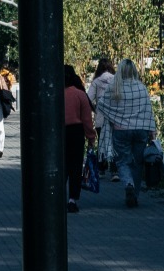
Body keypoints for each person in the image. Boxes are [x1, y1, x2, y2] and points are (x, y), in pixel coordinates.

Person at [100, 58, 157, 208]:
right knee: (137, 163)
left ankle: (129, 184)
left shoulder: (114, 87)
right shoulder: (141, 88)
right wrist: (152, 129)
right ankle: (135, 195)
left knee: (123, 161)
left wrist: (114, 119)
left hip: (120, 131)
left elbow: (101, 105)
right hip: (140, 130)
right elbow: (148, 111)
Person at [63, 66, 95, 213]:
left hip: (59, 133)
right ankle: (72, 199)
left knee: (61, 166)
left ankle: (55, 196)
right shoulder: (80, 94)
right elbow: (87, 120)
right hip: (76, 133)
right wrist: (91, 138)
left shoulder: (54, 94)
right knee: (75, 167)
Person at [88, 57, 118, 165]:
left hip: (100, 116)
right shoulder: (116, 80)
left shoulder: (96, 82)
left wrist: (95, 108)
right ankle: (114, 170)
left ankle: (101, 167)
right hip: (115, 117)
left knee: (101, 141)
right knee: (114, 142)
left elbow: (89, 99)